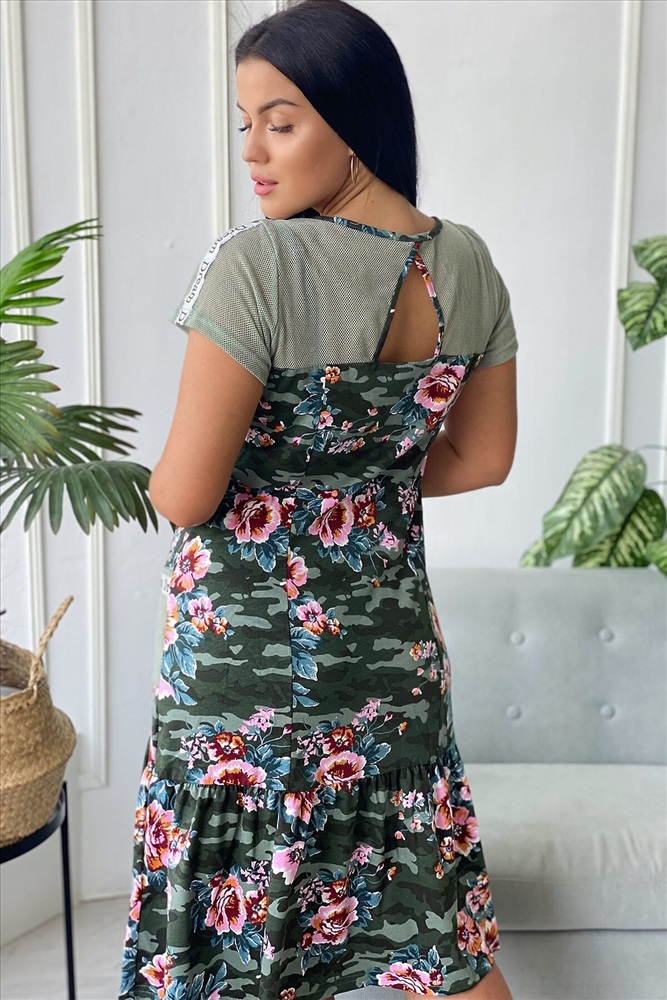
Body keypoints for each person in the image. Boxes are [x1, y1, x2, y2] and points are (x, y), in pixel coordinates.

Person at [118, 1, 518, 998]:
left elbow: (186, 492)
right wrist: (356, 477)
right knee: (437, 944)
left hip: (242, 680)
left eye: (281, 121)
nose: (252, 152)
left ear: (354, 121)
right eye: (245, 122)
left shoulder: (258, 262)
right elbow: (481, 459)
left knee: (234, 953)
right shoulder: (465, 260)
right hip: (393, 665)